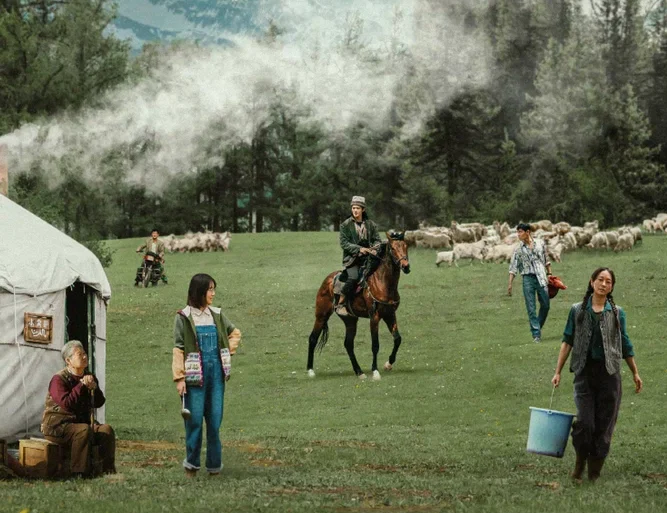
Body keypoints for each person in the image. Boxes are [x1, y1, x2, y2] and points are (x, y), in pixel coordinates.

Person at [551, 267, 643, 482]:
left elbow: (625, 343)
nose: (603, 284)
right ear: (592, 282)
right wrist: (557, 372)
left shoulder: (617, 313)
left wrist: (635, 372)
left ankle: (594, 472)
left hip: (609, 375)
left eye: (608, 281)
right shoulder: (577, 310)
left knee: (604, 425)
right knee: (585, 423)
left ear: (611, 287)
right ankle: (580, 463)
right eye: (600, 279)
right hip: (584, 374)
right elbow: (567, 341)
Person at [172, 273, 242, 477]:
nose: (213, 293)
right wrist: (179, 378)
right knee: (194, 422)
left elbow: (235, 333)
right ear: (199, 292)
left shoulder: (217, 315)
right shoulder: (183, 317)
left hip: (216, 377)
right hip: (193, 379)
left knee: (214, 421)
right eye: (210, 289)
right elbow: (178, 349)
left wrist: (226, 352)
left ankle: (214, 467)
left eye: (213, 289)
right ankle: (191, 466)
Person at [41, 340, 116, 477]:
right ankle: (79, 472)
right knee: (83, 430)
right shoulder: (59, 379)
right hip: (58, 426)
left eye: (85, 353)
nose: (84, 357)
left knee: (106, 429)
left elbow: (99, 402)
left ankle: (107, 470)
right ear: (68, 360)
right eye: (79, 354)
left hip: (81, 423)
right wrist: (81, 386)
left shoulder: (89, 376)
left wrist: (94, 388)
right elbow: (67, 404)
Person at [336, 195, 382, 316]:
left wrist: (375, 249)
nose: (355, 210)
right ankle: (341, 304)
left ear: (363, 209)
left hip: (369, 259)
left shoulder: (371, 225)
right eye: (353, 208)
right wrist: (359, 249)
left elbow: (377, 240)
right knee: (354, 278)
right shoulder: (345, 225)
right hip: (352, 260)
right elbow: (344, 243)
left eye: (357, 208)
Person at [508, 223, 552, 342]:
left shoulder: (540, 243)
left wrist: (550, 274)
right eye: (517, 232)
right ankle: (536, 335)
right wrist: (510, 284)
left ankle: (537, 326)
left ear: (527, 232)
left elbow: (546, 259)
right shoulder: (518, 249)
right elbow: (513, 267)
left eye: (520, 232)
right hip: (527, 278)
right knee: (531, 307)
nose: (518, 234)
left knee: (546, 305)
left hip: (541, 277)